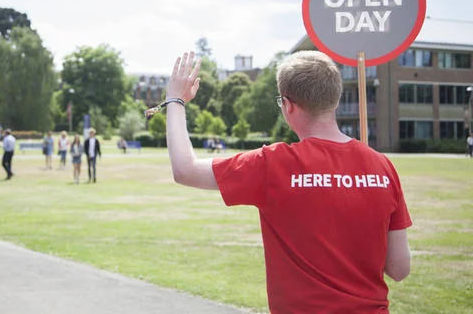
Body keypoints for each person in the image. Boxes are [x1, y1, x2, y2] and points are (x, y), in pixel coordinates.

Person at [164, 51, 412, 313]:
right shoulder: (383, 167)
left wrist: (175, 100)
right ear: (335, 100)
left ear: (287, 104)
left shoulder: (273, 164)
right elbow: (399, 268)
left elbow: (184, 170)